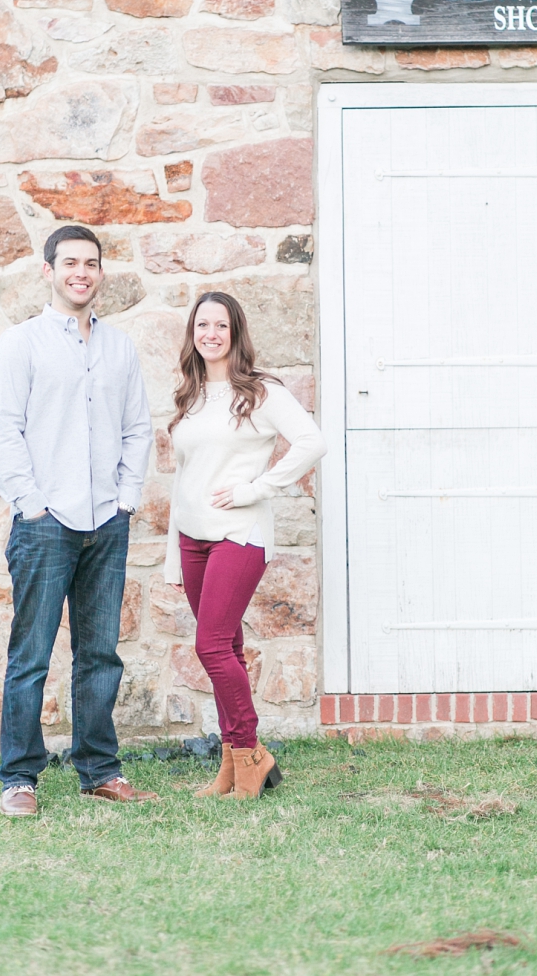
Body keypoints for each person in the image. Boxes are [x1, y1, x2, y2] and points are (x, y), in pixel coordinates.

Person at [0, 224, 155, 818]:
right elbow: (5, 429)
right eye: (70, 263)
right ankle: (19, 778)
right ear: (49, 270)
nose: (81, 272)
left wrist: (126, 498)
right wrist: (29, 501)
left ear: (101, 272)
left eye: (91, 263)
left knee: (100, 653)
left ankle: (98, 770)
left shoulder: (120, 348)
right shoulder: (22, 343)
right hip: (45, 520)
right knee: (30, 655)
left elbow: (138, 428)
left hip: (106, 519)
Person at [164, 291, 326, 798]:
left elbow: (312, 442)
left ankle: (252, 753)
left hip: (240, 534)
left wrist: (256, 489)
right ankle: (235, 766)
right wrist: (174, 550)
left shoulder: (259, 392)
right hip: (193, 538)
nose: (210, 334)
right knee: (227, 646)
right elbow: (183, 478)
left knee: (210, 646)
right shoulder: (190, 395)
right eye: (202, 325)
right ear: (193, 333)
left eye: (221, 326)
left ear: (236, 333)